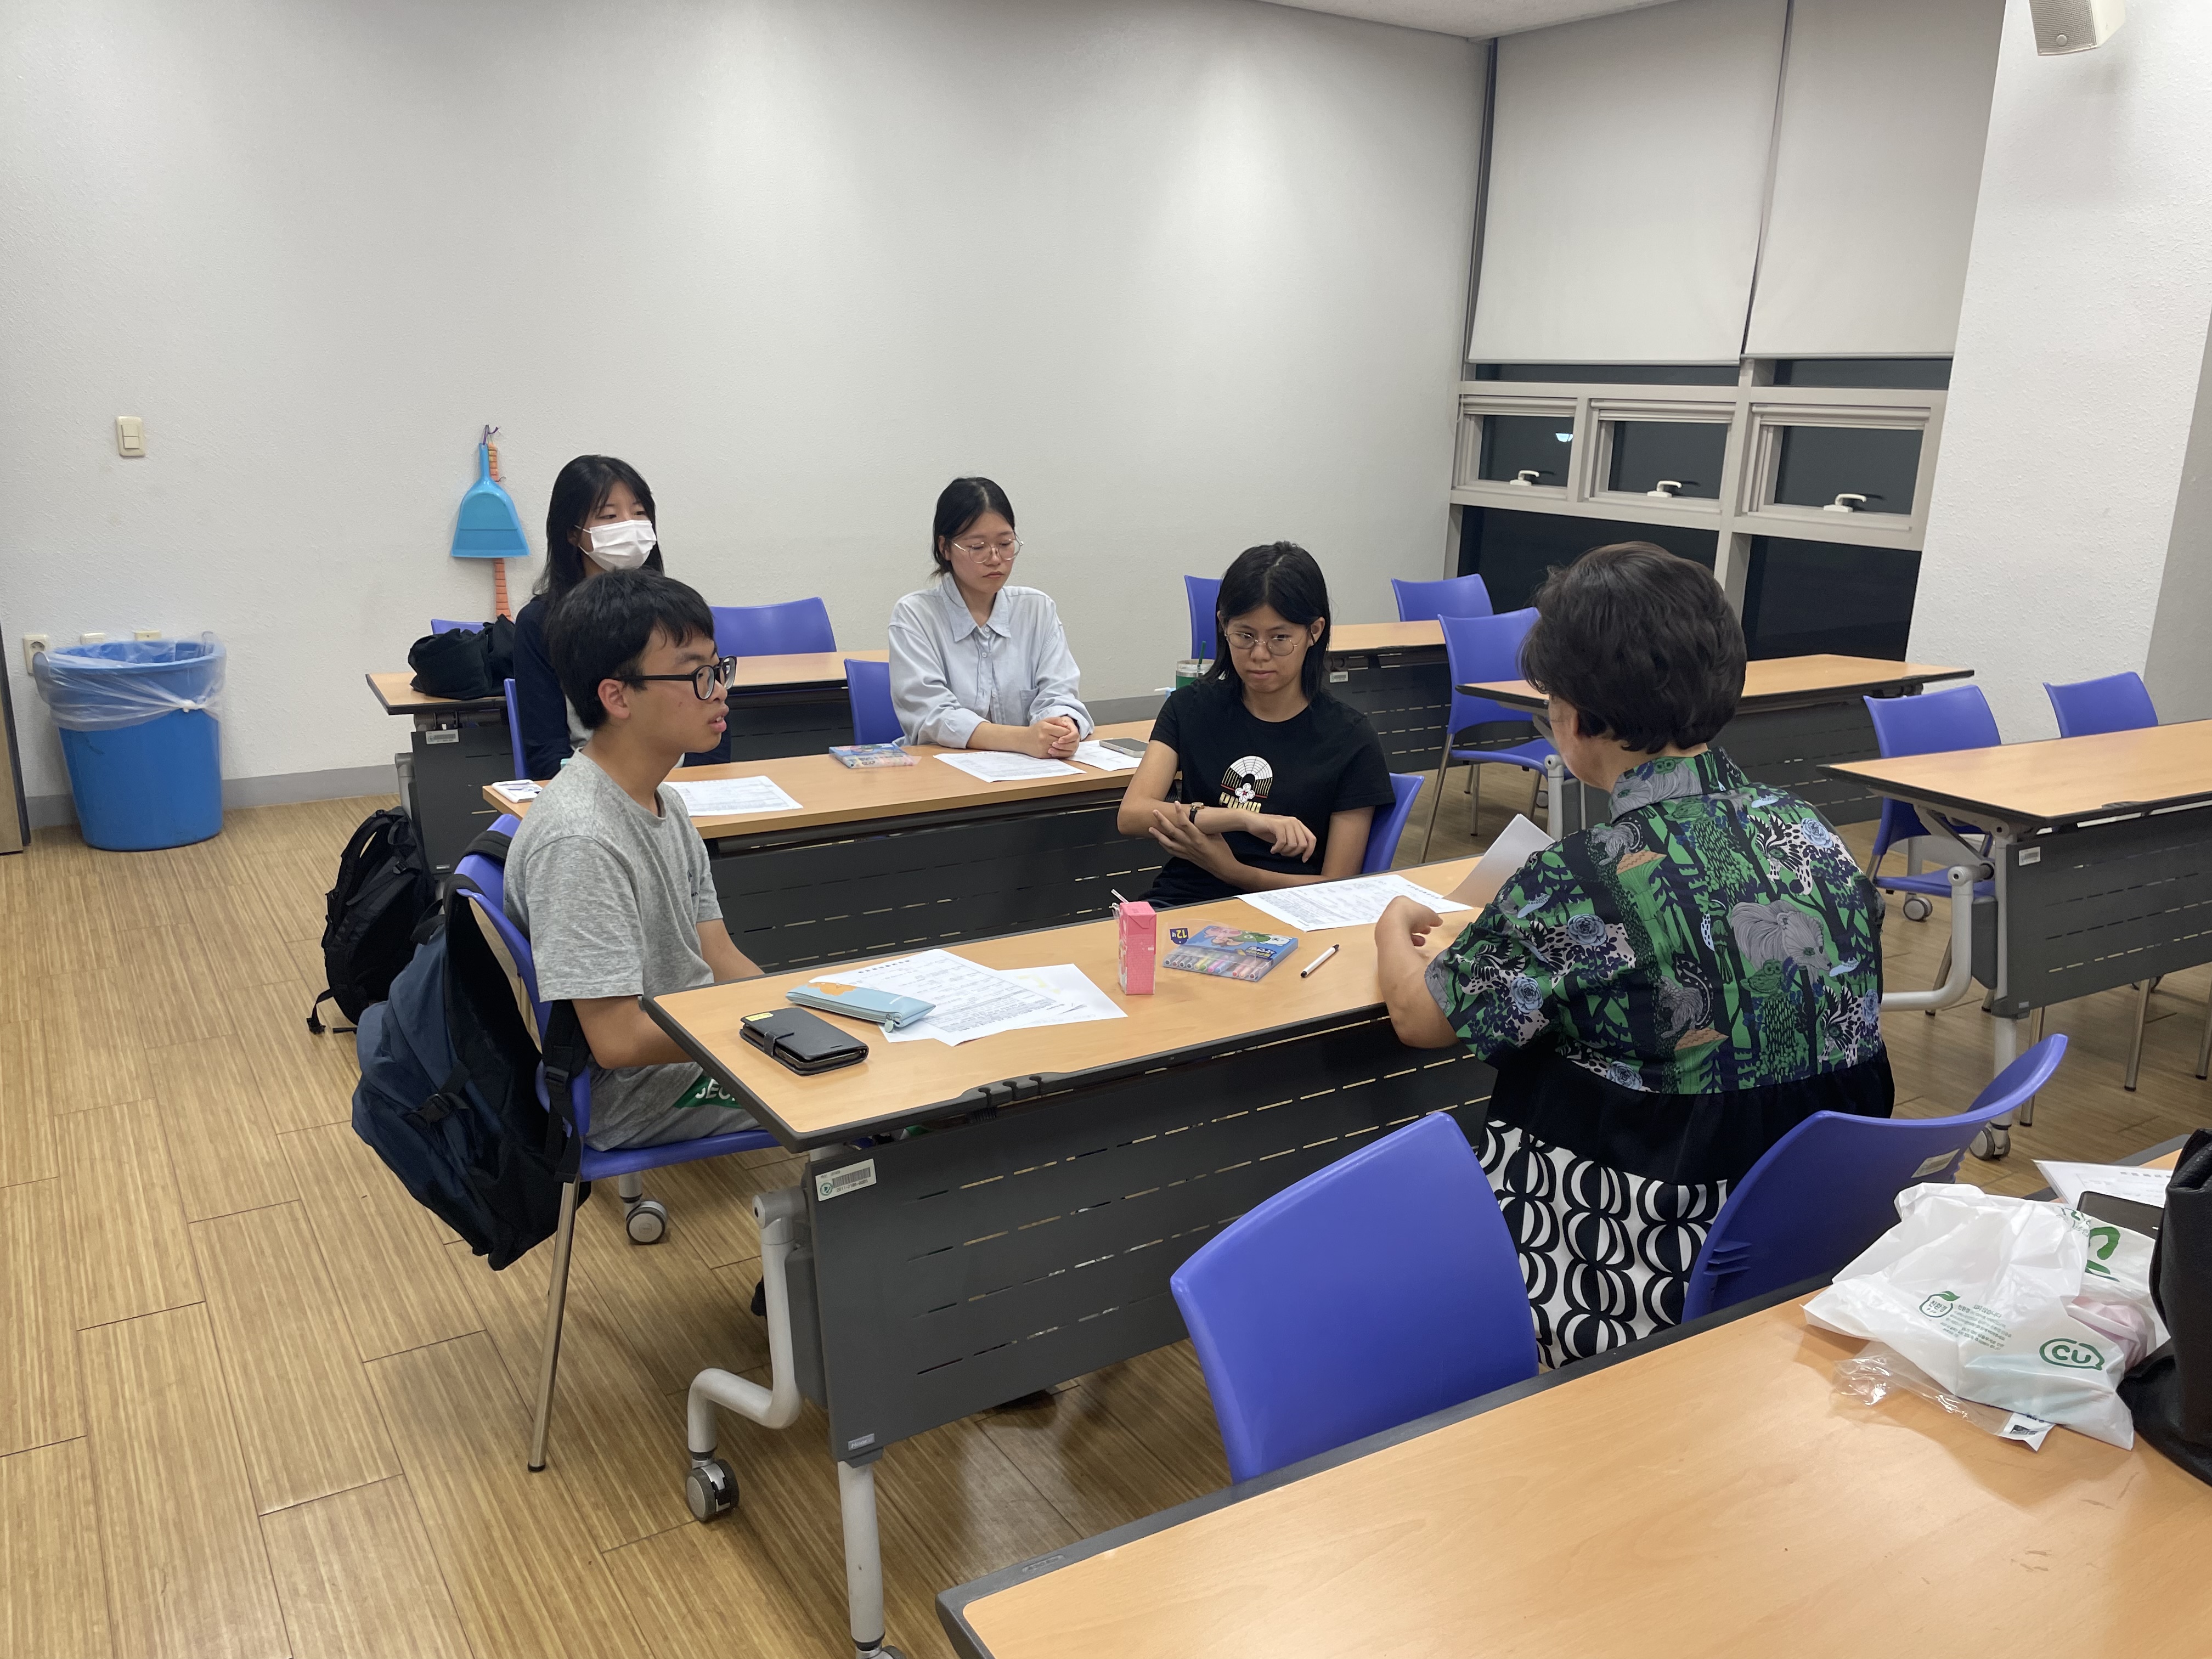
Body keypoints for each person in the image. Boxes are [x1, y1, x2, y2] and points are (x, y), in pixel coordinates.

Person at [1373, 543, 1892, 1368]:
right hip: (1814, 1239)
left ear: (1577, 717)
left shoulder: (1580, 878)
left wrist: (1393, 921)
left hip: (1635, 1263)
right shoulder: (1811, 831)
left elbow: (1418, 1018)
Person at [504, 568, 761, 1150]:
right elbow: (618, 1041)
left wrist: (786, 1010)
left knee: (862, 1056)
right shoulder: (581, 840)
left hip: (695, 1041)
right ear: (617, 697)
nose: (719, 690)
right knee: (861, 1090)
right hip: (637, 1092)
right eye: (696, 674)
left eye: (718, 668)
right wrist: (751, 1027)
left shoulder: (663, 798)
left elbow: (717, 955)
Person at [1120, 541, 1395, 907]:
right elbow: (1133, 814)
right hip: (1182, 902)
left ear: (1314, 632)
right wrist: (1244, 820)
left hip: (1293, 912)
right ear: (1224, 625)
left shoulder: (1350, 737)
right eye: (1245, 636)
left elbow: (1337, 888)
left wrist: (1232, 871)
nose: (1259, 654)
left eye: (1280, 638)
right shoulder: (1191, 707)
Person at [512, 455, 725, 778]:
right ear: (572, 533)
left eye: (639, 514)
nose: (629, 526)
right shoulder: (540, 623)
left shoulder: (676, 611)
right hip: (593, 783)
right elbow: (546, 753)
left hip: (682, 785)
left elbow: (713, 716)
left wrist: (691, 786)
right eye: (609, 516)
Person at [888, 477, 1092, 755]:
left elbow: (1059, 693)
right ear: (945, 548)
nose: (995, 559)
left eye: (1005, 544)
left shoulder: (1037, 610)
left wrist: (1062, 725)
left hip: (1032, 768)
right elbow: (932, 716)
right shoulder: (915, 616)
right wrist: (1022, 739)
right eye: (977, 547)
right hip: (942, 771)